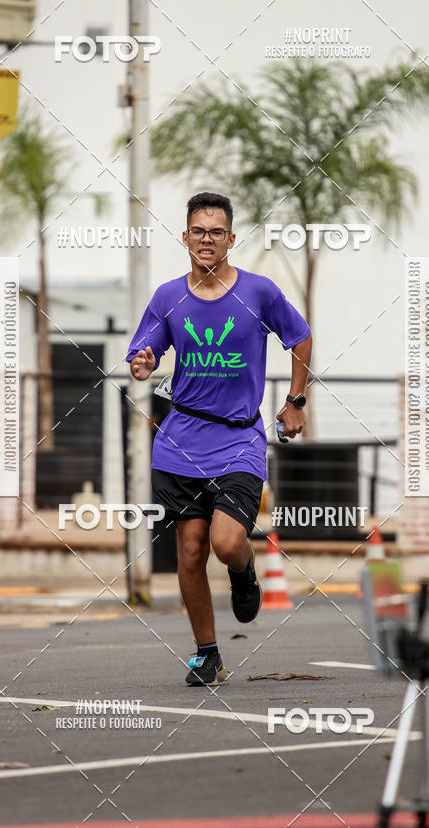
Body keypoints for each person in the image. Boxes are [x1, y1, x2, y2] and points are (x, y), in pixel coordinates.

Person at [126, 191, 312, 687]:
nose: (206, 240)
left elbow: (299, 336)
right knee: (189, 551)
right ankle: (208, 654)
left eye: (216, 232)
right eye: (198, 231)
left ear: (230, 239)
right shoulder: (169, 297)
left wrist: (296, 401)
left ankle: (243, 569)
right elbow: (144, 349)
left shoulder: (258, 292)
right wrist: (143, 362)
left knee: (226, 542)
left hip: (239, 440)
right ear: (185, 237)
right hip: (180, 441)